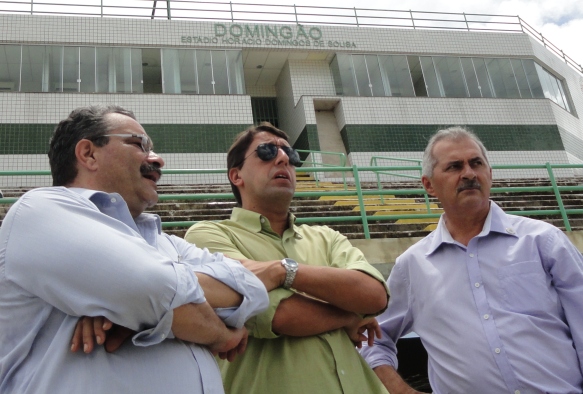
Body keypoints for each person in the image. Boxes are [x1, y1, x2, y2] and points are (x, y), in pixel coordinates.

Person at [0, 105, 269, 393]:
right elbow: (148, 286)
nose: (158, 159)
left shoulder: (166, 242)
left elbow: (252, 289)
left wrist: (135, 313)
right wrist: (220, 335)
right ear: (88, 153)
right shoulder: (39, 210)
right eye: (139, 144)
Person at [360, 126, 583, 393]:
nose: (468, 173)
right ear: (429, 185)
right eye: (454, 167)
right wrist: (400, 390)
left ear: (490, 173)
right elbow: (373, 338)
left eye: (476, 163)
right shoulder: (412, 265)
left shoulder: (542, 240)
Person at [183, 123, 391, 394]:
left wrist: (283, 271)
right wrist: (350, 316)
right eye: (267, 151)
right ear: (236, 175)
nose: (282, 158)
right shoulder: (208, 237)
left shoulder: (326, 237)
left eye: (290, 155)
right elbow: (281, 315)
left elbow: (375, 296)